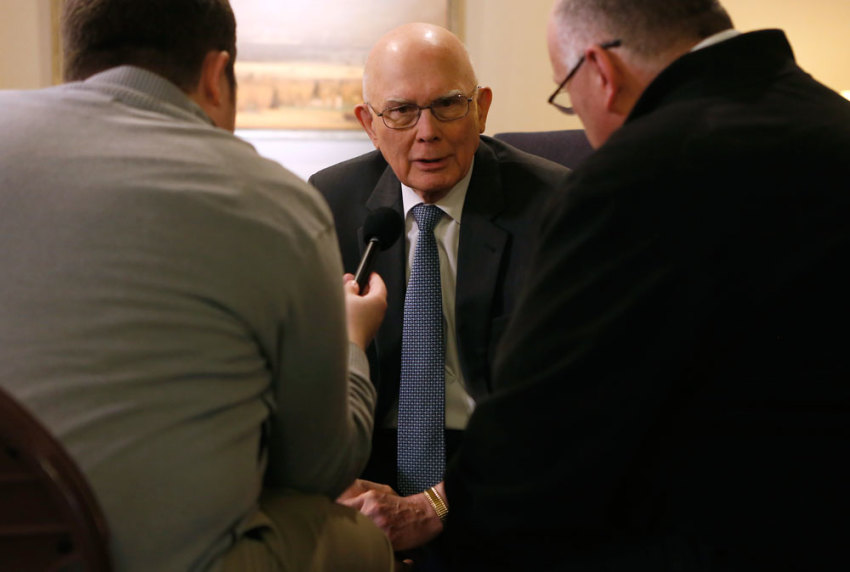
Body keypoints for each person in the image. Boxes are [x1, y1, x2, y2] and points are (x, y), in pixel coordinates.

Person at [441, 0, 850, 570]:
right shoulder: (835, 124)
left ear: (600, 73)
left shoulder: (631, 178)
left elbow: (530, 452)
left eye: (567, 93)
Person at [0, 1, 394, 571]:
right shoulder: (273, 203)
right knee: (360, 540)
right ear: (216, 75)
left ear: (73, 60)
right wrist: (353, 343)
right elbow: (318, 468)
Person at [308, 22, 569, 559]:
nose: (427, 131)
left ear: (483, 108)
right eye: (401, 111)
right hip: (367, 458)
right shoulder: (329, 202)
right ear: (369, 124)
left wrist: (440, 504)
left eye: (448, 104)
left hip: (498, 466)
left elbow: (563, 402)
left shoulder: (555, 207)